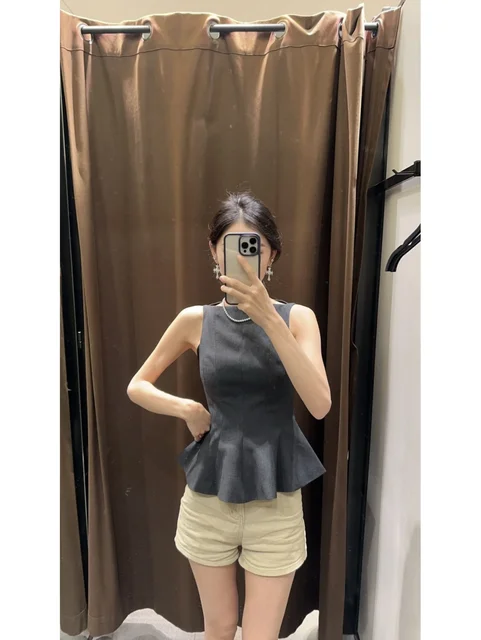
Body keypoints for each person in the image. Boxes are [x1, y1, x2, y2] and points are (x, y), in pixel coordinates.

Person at [127, 192, 331, 640]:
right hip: (209, 500)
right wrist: (187, 408)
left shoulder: (298, 319)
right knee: (218, 628)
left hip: (275, 501)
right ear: (213, 252)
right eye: (231, 246)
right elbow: (137, 385)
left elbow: (319, 404)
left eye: (253, 246)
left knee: (260, 635)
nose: (242, 258)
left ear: (271, 255)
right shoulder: (195, 320)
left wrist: (270, 319)